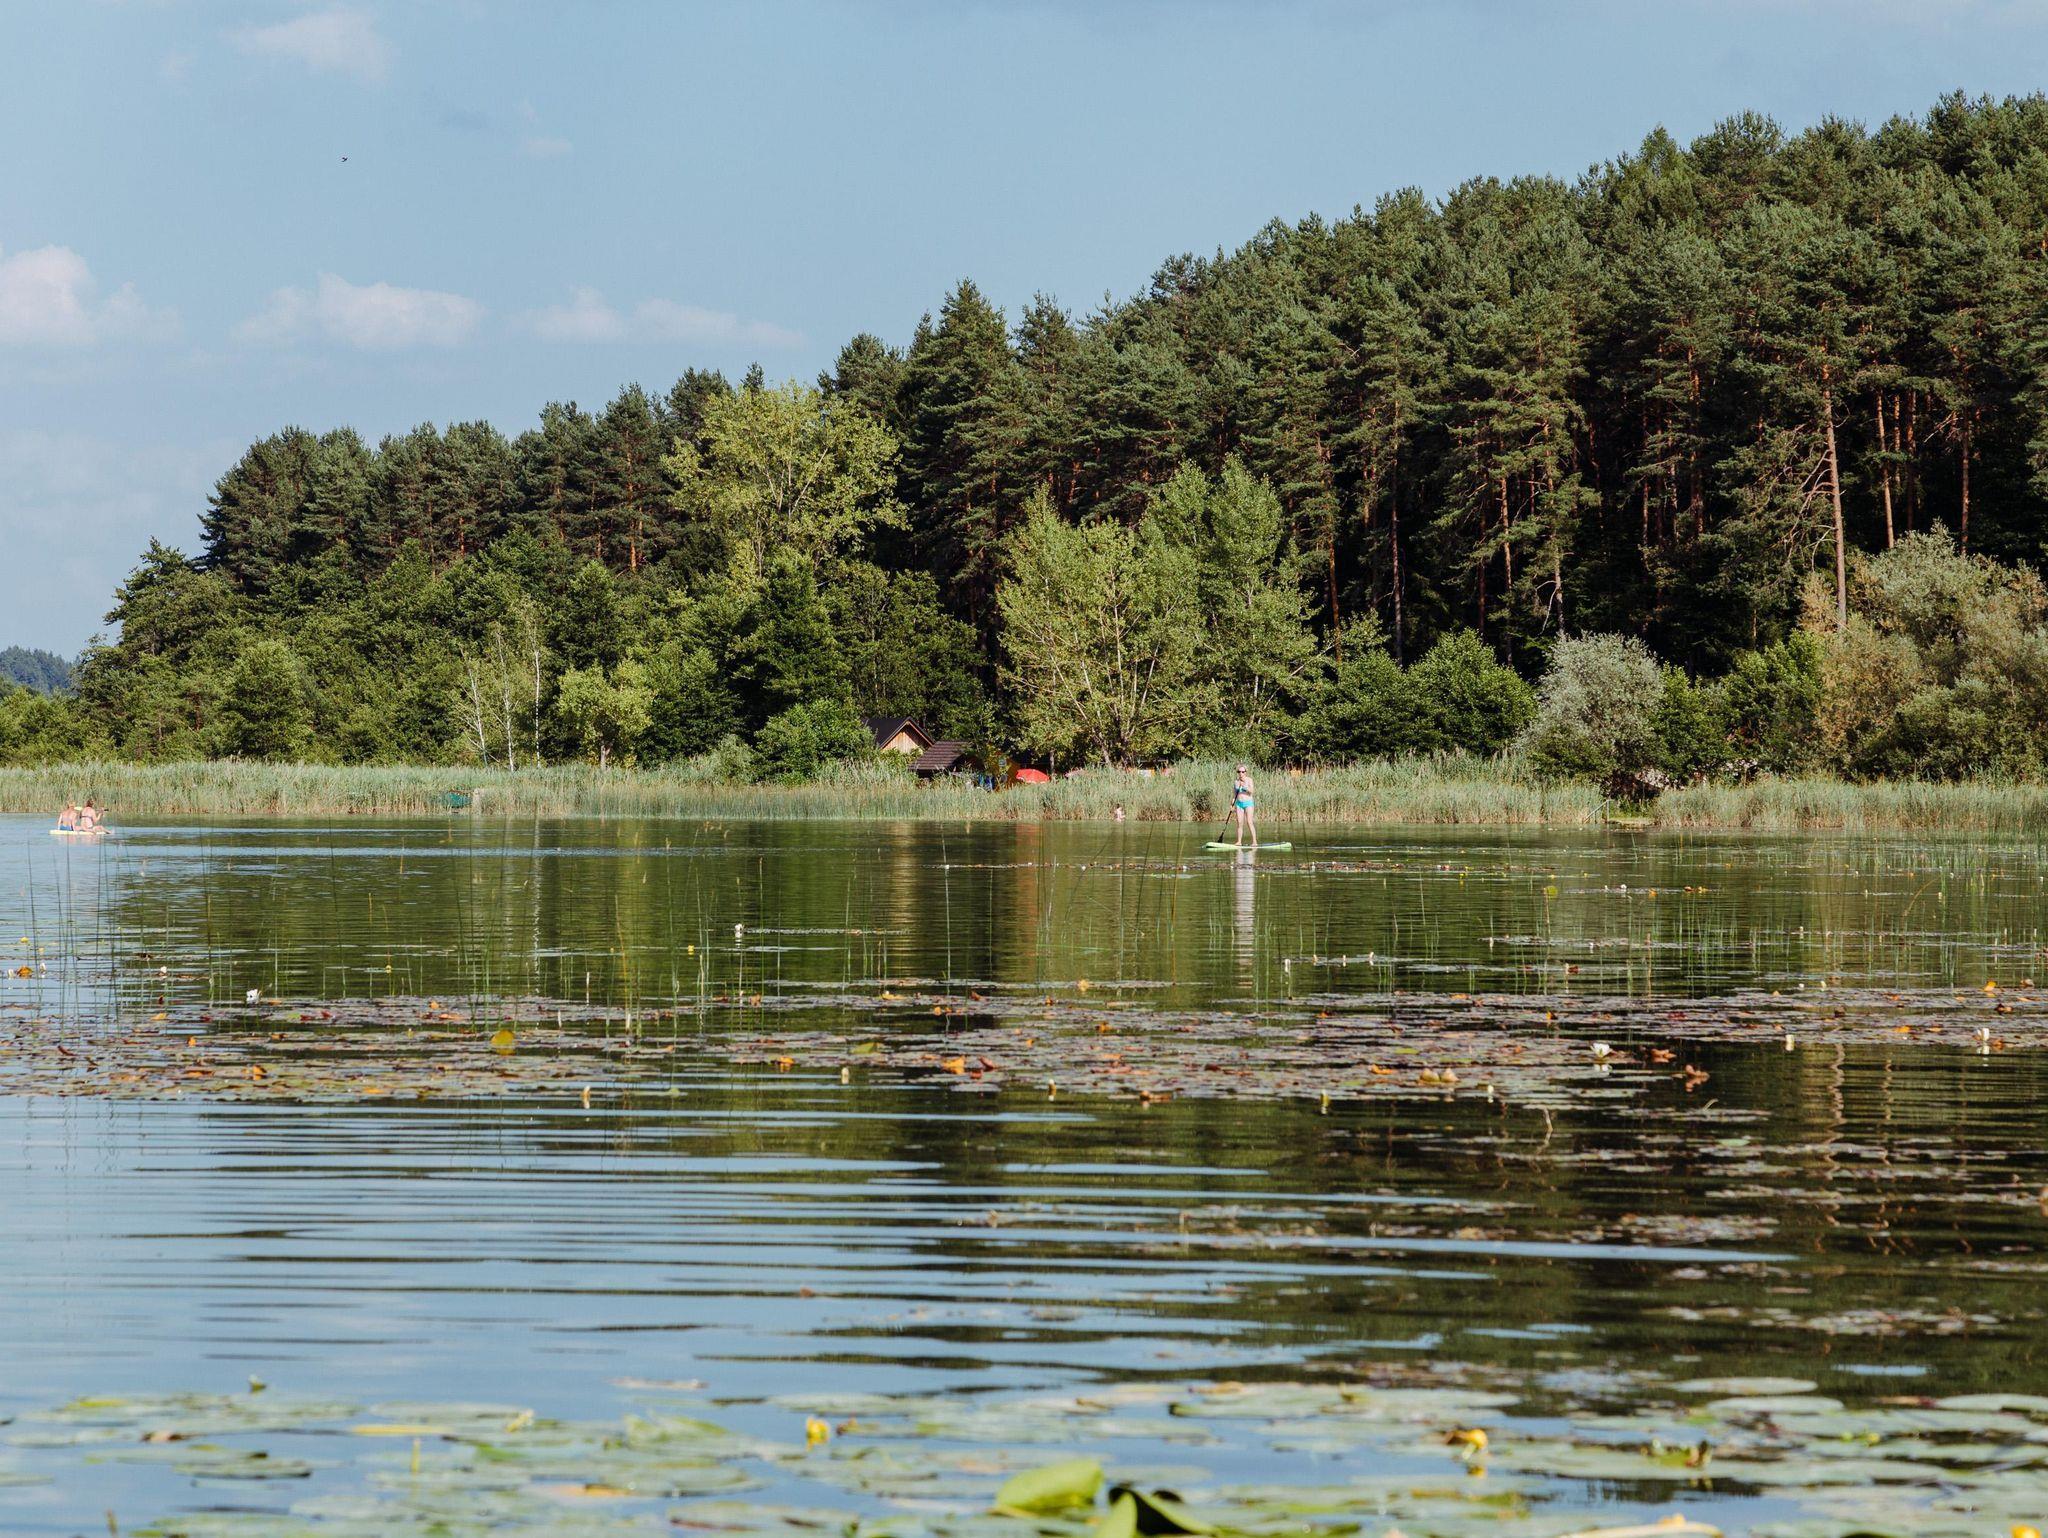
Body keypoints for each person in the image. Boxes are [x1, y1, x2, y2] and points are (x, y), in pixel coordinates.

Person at [1231, 765, 1257, 849]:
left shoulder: (1249, 780)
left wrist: (1244, 786)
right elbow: (1234, 795)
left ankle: (1254, 842)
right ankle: (1239, 841)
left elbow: (1251, 792)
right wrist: (1232, 805)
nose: (1241, 773)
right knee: (1239, 823)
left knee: (1249, 822)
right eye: (1239, 772)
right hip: (1239, 804)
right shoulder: (1236, 782)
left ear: (1245, 772)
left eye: (1243, 772)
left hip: (1248, 803)